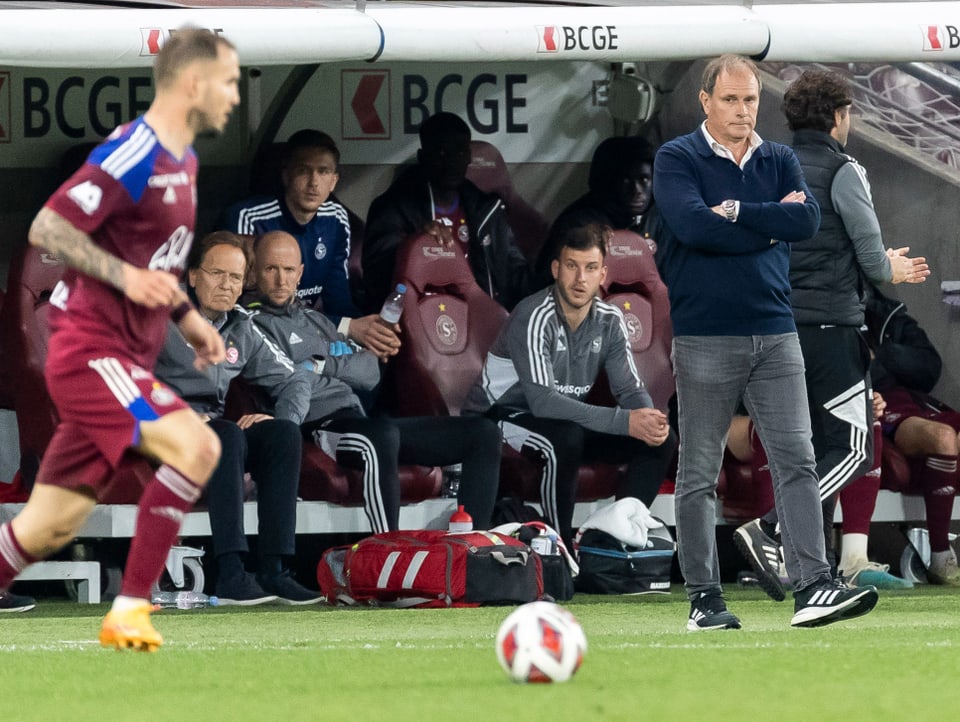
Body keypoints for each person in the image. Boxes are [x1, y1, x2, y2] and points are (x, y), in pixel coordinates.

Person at [0, 29, 240, 651]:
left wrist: (189, 320)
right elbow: (49, 225)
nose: (235, 97)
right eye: (229, 82)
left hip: (123, 357)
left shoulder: (184, 160)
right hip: (88, 353)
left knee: (47, 528)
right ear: (193, 84)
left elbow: (156, 262)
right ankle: (131, 608)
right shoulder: (135, 150)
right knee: (196, 446)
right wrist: (123, 276)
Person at [653, 54, 878, 631]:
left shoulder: (778, 157)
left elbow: (804, 225)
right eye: (730, 100)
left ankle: (813, 586)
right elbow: (691, 226)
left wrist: (735, 213)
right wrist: (766, 219)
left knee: (799, 461)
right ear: (705, 101)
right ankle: (705, 600)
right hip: (705, 335)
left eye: (750, 99)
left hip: (777, 333)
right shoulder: (677, 157)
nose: (741, 111)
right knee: (699, 472)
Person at [733, 69, 928, 598]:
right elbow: (870, 258)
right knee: (855, 449)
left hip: (772, 328)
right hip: (829, 332)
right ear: (840, 117)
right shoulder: (846, 170)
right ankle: (772, 527)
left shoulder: (764, 166)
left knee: (804, 450)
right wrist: (892, 268)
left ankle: (809, 573)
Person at [246, 230, 502, 532]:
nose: (280, 279)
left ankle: (472, 550)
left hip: (359, 421)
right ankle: (387, 550)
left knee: (483, 434)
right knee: (381, 435)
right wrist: (334, 367)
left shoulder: (316, 320)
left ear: (300, 273)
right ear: (254, 272)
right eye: (271, 269)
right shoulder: (250, 324)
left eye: (288, 270)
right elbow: (294, 379)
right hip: (321, 430)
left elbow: (368, 373)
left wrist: (318, 364)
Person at [463, 222, 676, 549]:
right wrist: (623, 421)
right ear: (555, 269)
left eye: (591, 268)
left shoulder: (609, 318)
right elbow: (543, 403)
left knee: (660, 441)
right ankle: (559, 547)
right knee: (566, 436)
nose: (580, 279)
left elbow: (629, 390)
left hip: (563, 421)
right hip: (499, 419)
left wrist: (647, 417)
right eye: (572, 267)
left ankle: (616, 539)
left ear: (603, 274)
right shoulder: (533, 315)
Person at [154, 231, 321, 605]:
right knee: (226, 435)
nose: (226, 285)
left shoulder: (241, 326)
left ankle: (274, 570)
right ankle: (230, 572)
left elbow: (295, 377)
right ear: (193, 275)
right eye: (217, 274)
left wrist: (284, 418)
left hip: (210, 435)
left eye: (235, 277)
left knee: (282, 435)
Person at [220, 129, 401, 361]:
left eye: (323, 172)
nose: (314, 182)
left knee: (372, 362)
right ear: (286, 175)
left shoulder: (335, 218)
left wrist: (368, 331)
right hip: (259, 337)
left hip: (313, 327)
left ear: (334, 180)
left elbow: (338, 300)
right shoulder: (249, 218)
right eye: (304, 171)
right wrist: (346, 327)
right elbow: (248, 309)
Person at [362, 112, 536, 313]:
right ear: (422, 157)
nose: (452, 162)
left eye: (460, 152)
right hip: (420, 322)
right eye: (441, 153)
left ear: (469, 157)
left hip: (481, 323)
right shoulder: (392, 209)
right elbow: (377, 279)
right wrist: (418, 244)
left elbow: (515, 275)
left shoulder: (486, 209)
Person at [866, 286, 960, 585]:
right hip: (875, 405)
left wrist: (882, 355)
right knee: (943, 438)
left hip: (916, 401)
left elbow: (929, 369)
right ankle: (941, 555)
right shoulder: (815, 311)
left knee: (946, 434)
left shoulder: (889, 313)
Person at [537, 135, 665, 278]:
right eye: (626, 180)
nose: (636, 190)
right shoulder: (578, 224)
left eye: (644, 179)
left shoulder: (659, 220)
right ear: (609, 181)